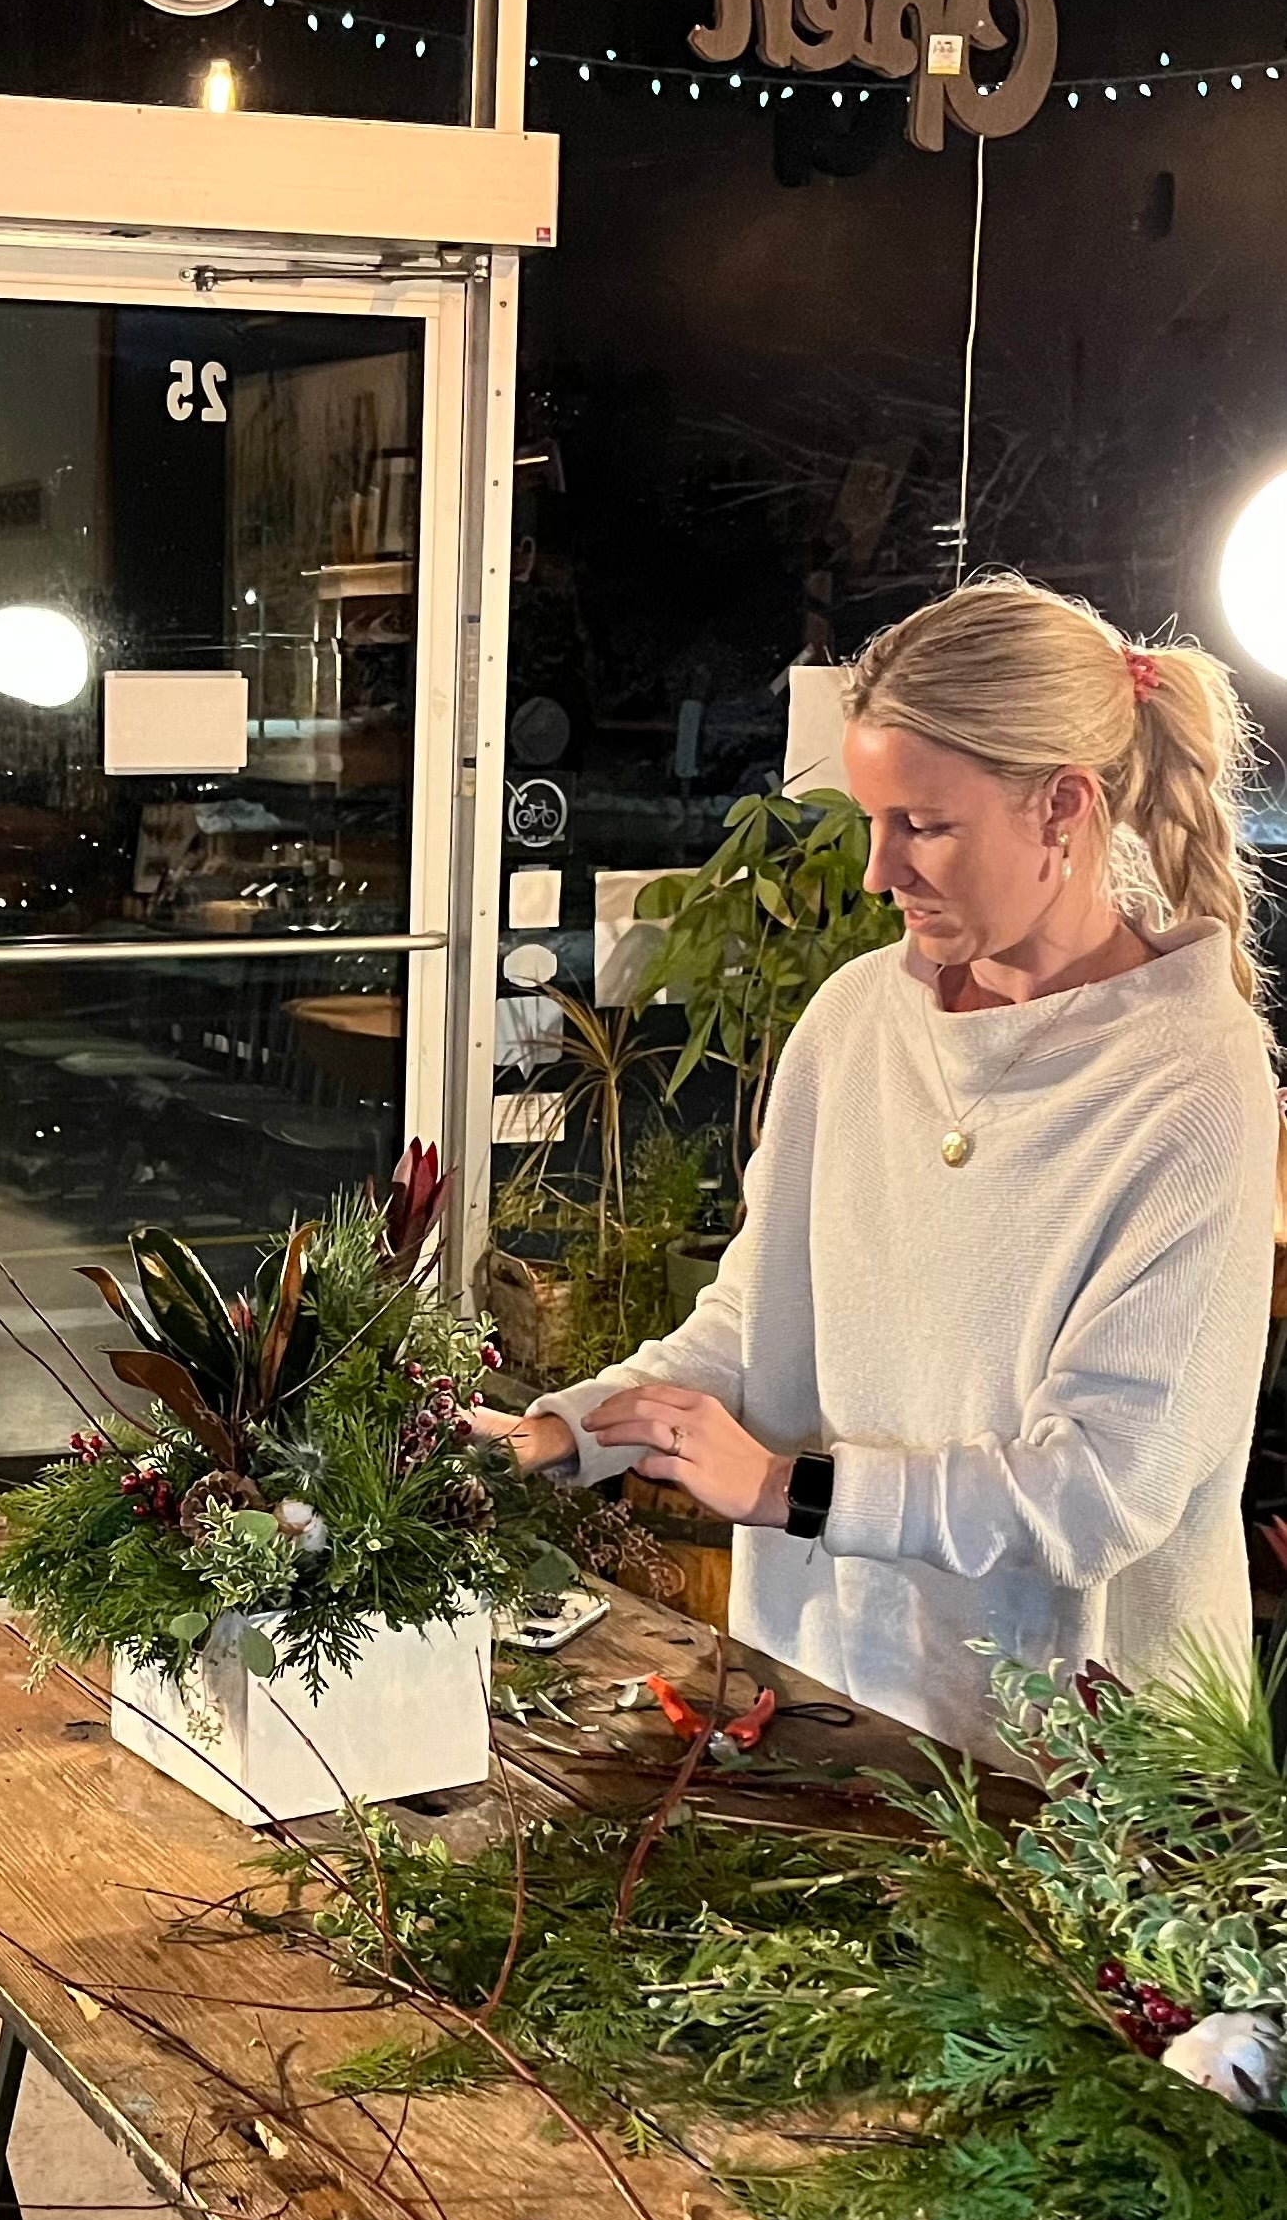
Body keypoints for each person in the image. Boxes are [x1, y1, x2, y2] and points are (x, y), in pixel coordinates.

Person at [485, 575, 1281, 1756]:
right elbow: (755, 1330)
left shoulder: (1193, 1084)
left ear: (1062, 808)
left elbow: (1104, 1491)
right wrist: (557, 1435)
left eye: (924, 825)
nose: (876, 870)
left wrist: (788, 1491)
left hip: (1070, 1775)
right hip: (815, 1698)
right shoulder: (858, 1019)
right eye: (872, 820)